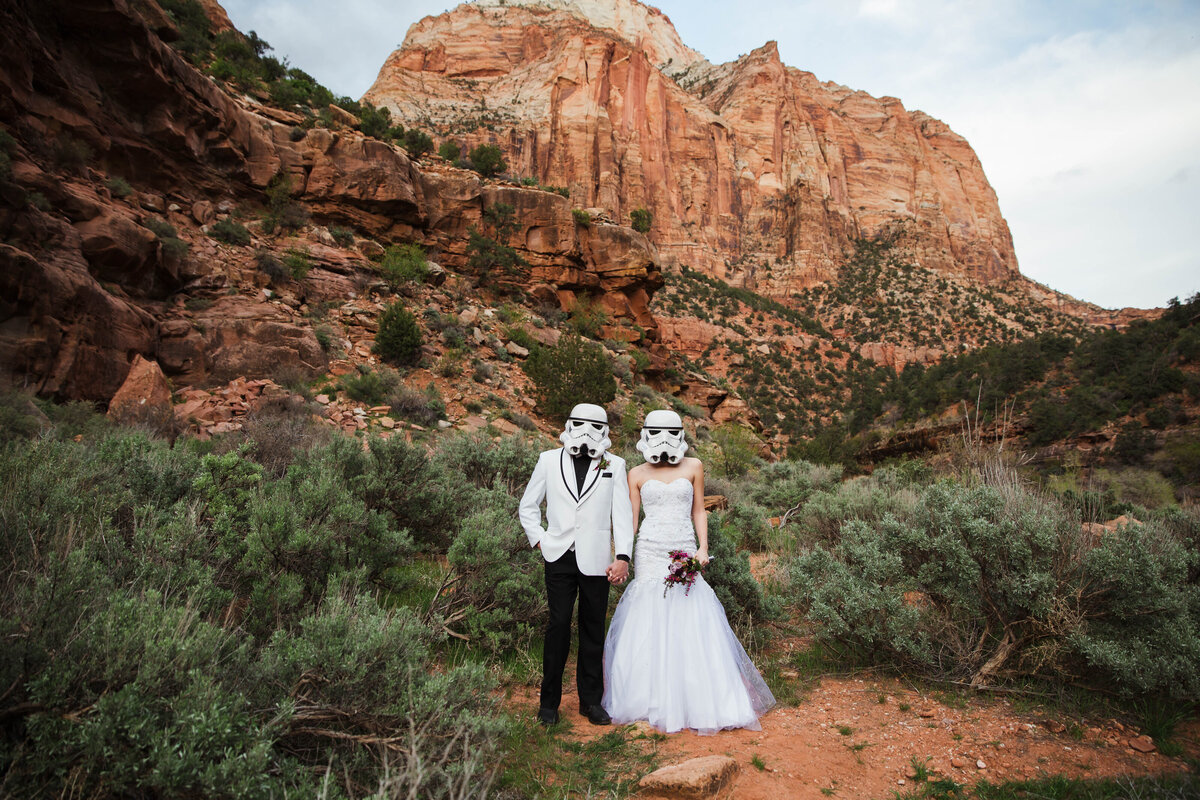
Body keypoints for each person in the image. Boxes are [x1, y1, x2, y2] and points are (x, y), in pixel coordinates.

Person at [602, 409, 775, 734]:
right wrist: (621, 554)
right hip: (650, 550)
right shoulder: (637, 473)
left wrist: (703, 547)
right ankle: (647, 698)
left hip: (683, 546)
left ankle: (697, 700)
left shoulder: (694, 466)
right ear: (647, 434)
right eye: (657, 431)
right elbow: (632, 520)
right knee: (648, 613)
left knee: (690, 611)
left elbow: (699, 510)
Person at [519, 403, 634, 727]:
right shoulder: (548, 460)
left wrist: (623, 556)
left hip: (597, 559)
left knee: (593, 630)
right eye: (579, 424)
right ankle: (548, 704)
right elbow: (528, 506)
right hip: (558, 556)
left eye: (593, 425)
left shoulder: (615, 464)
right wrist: (539, 538)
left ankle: (590, 702)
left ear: (604, 429)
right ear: (569, 425)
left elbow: (622, 515)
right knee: (557, 627)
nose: (585, 431)